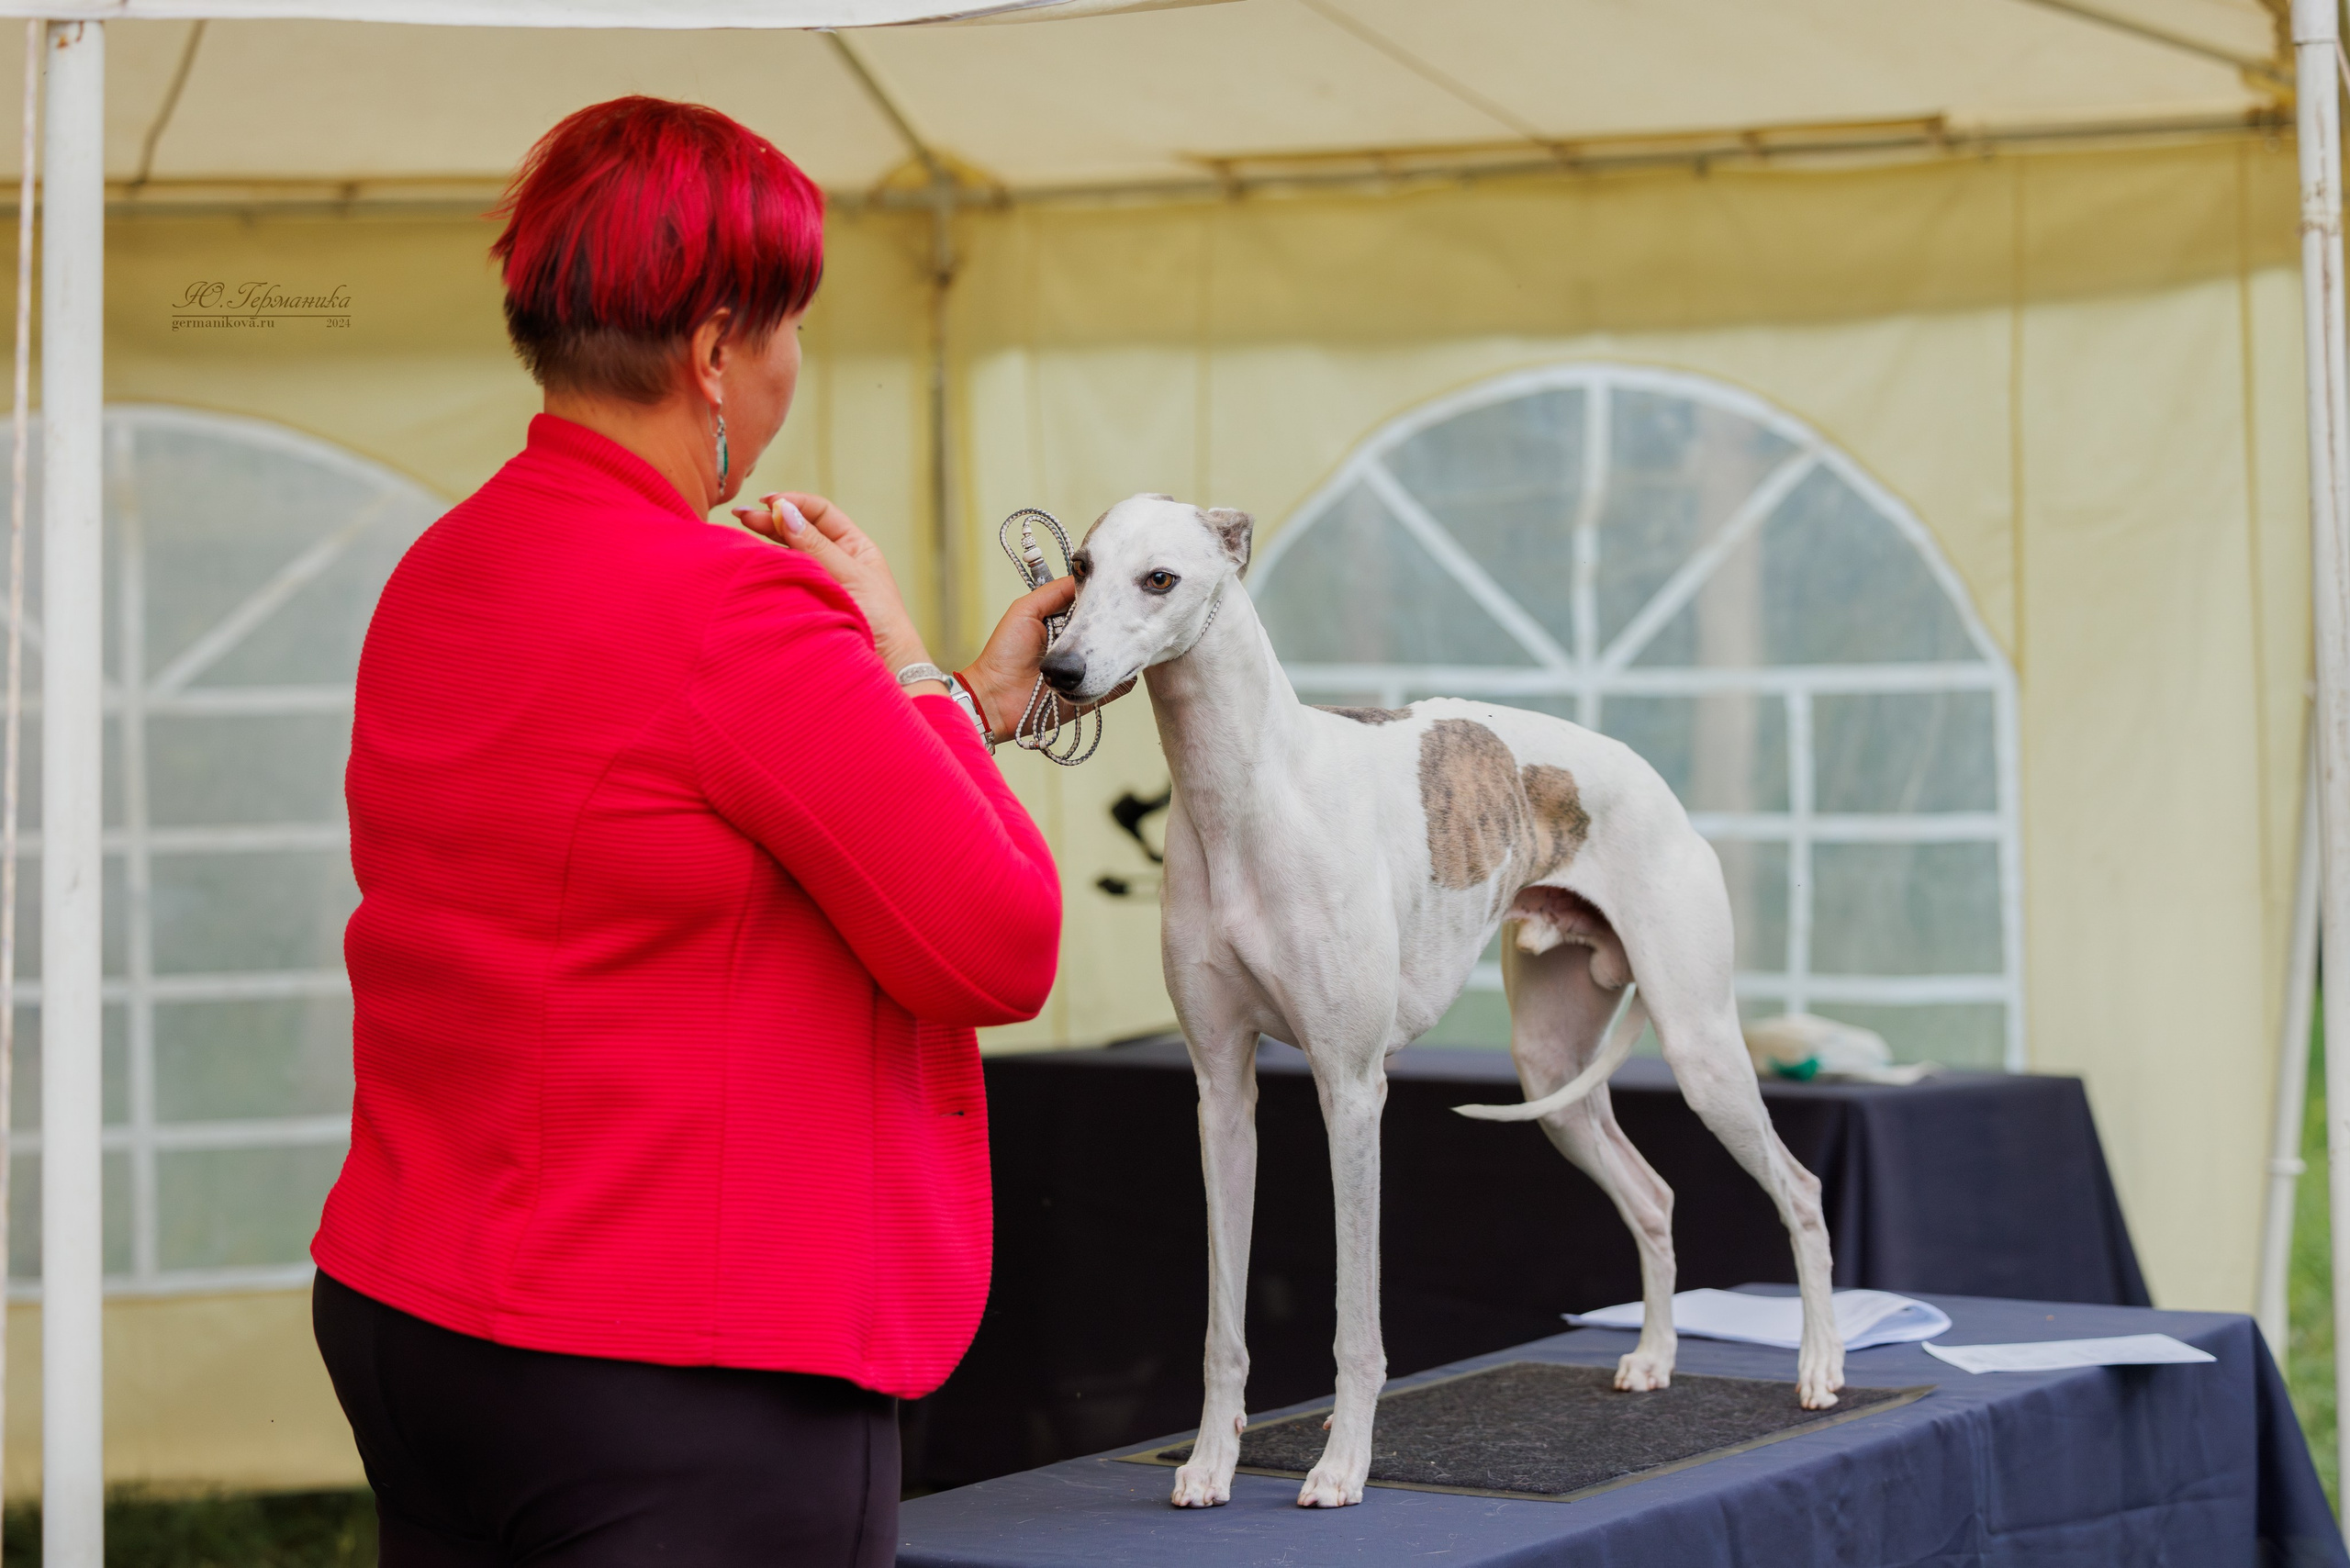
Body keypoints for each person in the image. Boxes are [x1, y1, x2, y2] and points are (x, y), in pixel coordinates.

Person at [308, 95, 1092, 1567]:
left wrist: (958, 717)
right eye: (789, 323)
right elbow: (999, 942)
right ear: (718, 349)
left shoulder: (444, 568)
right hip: (671, 1368)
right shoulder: (737, 613)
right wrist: (905, 661)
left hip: (419, 1320)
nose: (794, 360)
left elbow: (683, 829)